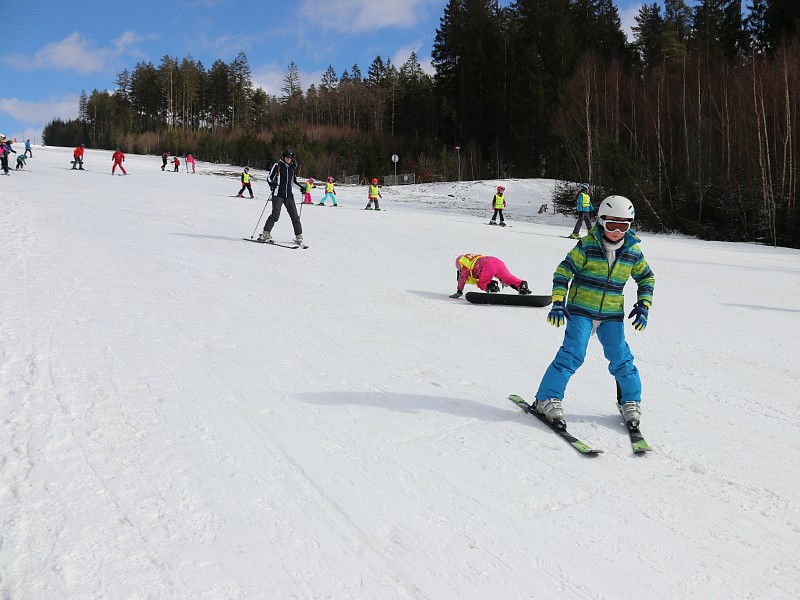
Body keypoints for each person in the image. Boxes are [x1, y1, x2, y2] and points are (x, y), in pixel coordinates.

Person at [531, 195, 655, 426]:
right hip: (581, 311)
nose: (617, 231)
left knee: (621, 357)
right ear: (600, 221)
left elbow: (646, 278)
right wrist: (559, 301)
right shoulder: (587, 245)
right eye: (612, 225)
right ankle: (547, 398)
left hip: (612, 315)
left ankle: (629, 400)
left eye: (624, 226)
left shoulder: (633, 252)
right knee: (572, 354)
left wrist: (644, 305)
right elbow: (563, 272)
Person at [257, 149, 304, 245]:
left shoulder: (292, 168)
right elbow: (269, 177)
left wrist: (301, 188)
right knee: (275, 215)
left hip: (289, 196)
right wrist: (272, 183)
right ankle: (265, 234)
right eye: (287, 157)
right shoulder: (277, 165)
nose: (289, 159)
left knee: (295, 216)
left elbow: (293, 182)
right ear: (283, 157)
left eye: (290, 158)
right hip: (278, 195)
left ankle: (298, 236)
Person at [449, 253, 532, 299]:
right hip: (496, 261)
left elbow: (463, 277)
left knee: (482, 283)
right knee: (508, 278)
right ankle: (522, 285)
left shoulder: (464, 263)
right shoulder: (473, 257)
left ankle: (492, 287)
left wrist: (459, 291)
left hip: (487, 266)